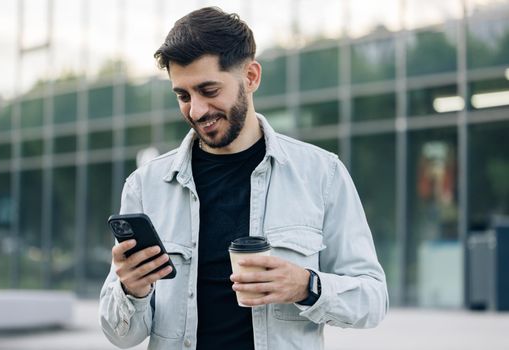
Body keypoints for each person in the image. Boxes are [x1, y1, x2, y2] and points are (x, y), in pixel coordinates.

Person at [99, 6, 388, 350]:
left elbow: (372, 299)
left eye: (209, 90)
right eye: (183, 95)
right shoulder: (145, 186)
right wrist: (131, 289)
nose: (196, 110)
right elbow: (121, 335)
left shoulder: (321, 174)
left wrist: (306, 286)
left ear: (250, 77)